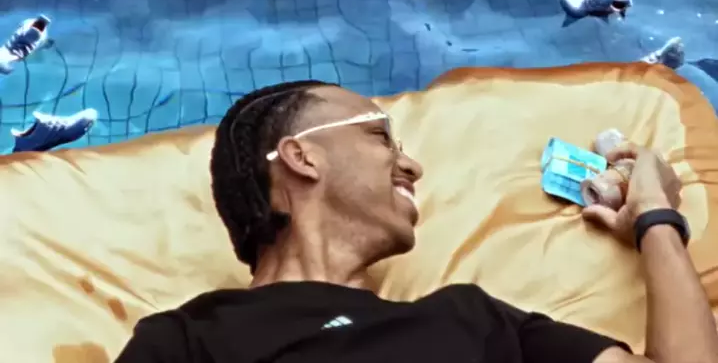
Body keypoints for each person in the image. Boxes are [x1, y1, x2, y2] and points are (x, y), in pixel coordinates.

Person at [115, 80, 718, 363]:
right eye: (381, 137)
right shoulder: (189, 341)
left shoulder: (475, 319)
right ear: (301, 157)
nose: (411, 164)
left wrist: (655, 217)